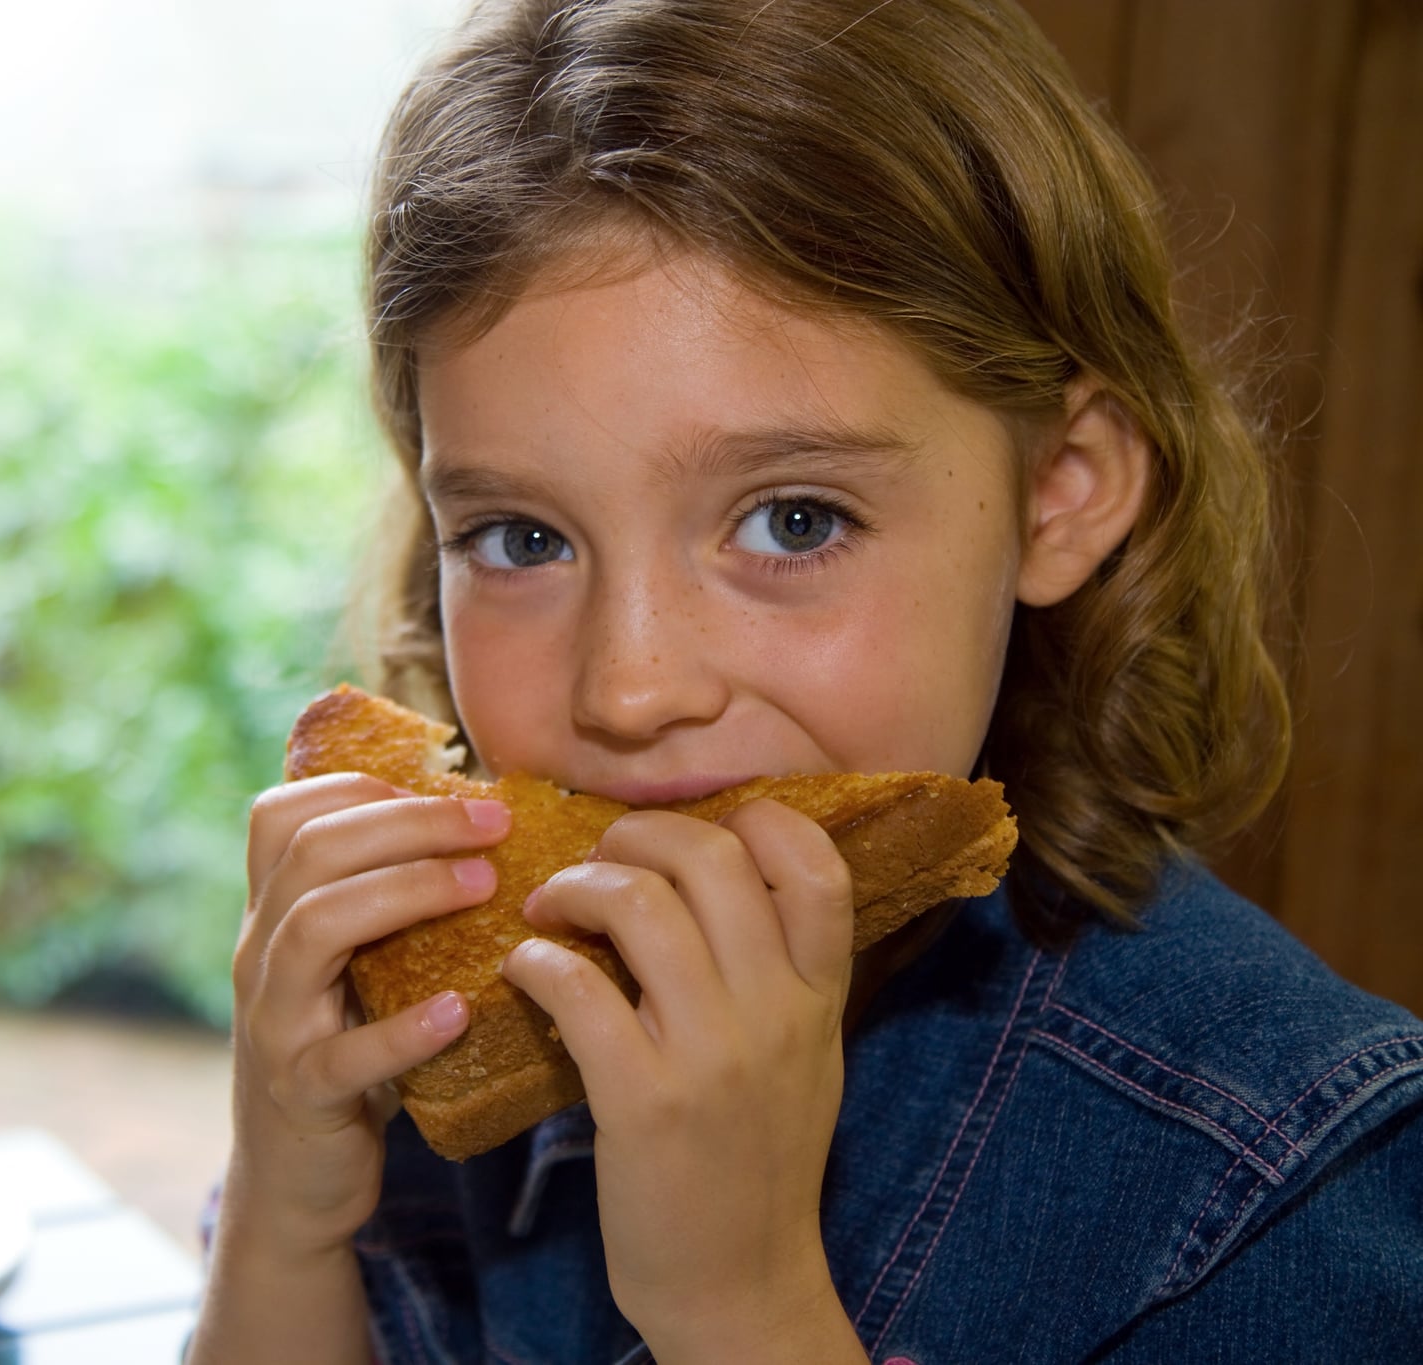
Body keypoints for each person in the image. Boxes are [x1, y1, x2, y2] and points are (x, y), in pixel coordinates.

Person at [188, 0, 1423, 1360]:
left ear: (1058, 493)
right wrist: (284, 1216)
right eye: (523, 538)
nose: (631, 687)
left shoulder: (1282, 1177)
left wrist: (741, 1308)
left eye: (793, 520)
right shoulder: (457, 1055)